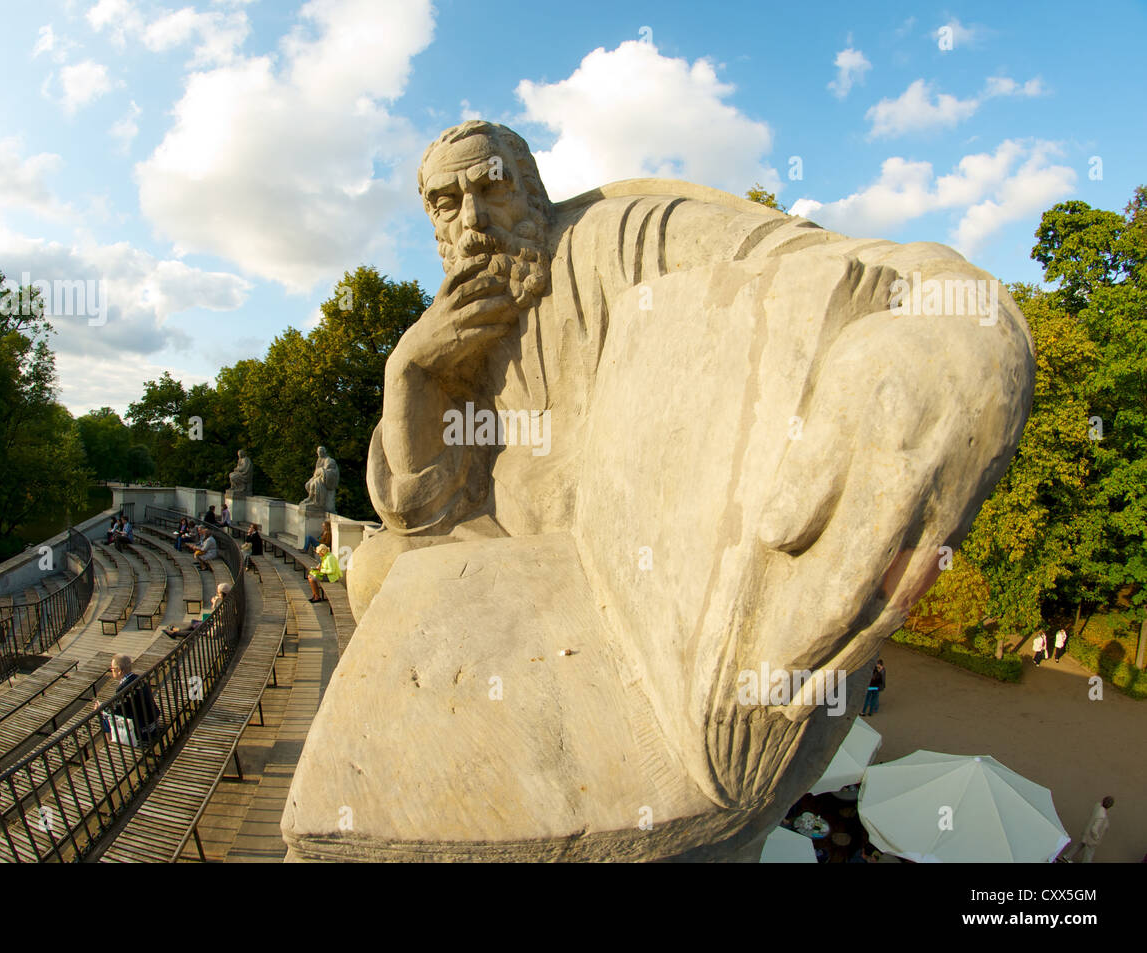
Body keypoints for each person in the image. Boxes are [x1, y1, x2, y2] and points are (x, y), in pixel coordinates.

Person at [282, 120, 1036, 862]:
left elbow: (861, 264)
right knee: (377, 570)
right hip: (515, 585)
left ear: (532, 189)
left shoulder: (622, 234)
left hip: (636, 613)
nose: (474, 220)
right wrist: (412, 371)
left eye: (491, 187)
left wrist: (944, 339)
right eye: (447, 204)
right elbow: (421, 514)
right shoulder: (460, 313)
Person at [93, 654, 159, 746]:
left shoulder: (124, 688)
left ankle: (111, 746)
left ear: (119, 671)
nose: (111, 671)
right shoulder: (137, 678)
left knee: (104, 718)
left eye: (112, 669)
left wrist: (101, 708)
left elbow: (118, 710)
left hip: (143, 730)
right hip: (153, 721)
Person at [163, 583, 231, 637]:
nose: (217, 595)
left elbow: (215, 616)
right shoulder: (226, 601)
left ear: (223, 594)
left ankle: (175, 633)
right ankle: (176, 630)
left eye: (218, 593)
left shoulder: (226, 604)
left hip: (217, 629)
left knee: (195, 632)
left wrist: (214, 604)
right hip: (214, 624)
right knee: (194, 624)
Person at [1061, 796, 1114, 863]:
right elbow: (1094, 829)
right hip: (1091, 838)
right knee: (1088, 855)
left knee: (1080, 845)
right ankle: (1068, 857)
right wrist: (1096, 837)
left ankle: (1067, 856)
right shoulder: (1102, 816)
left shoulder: (1097, 806)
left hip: (1087, 831)